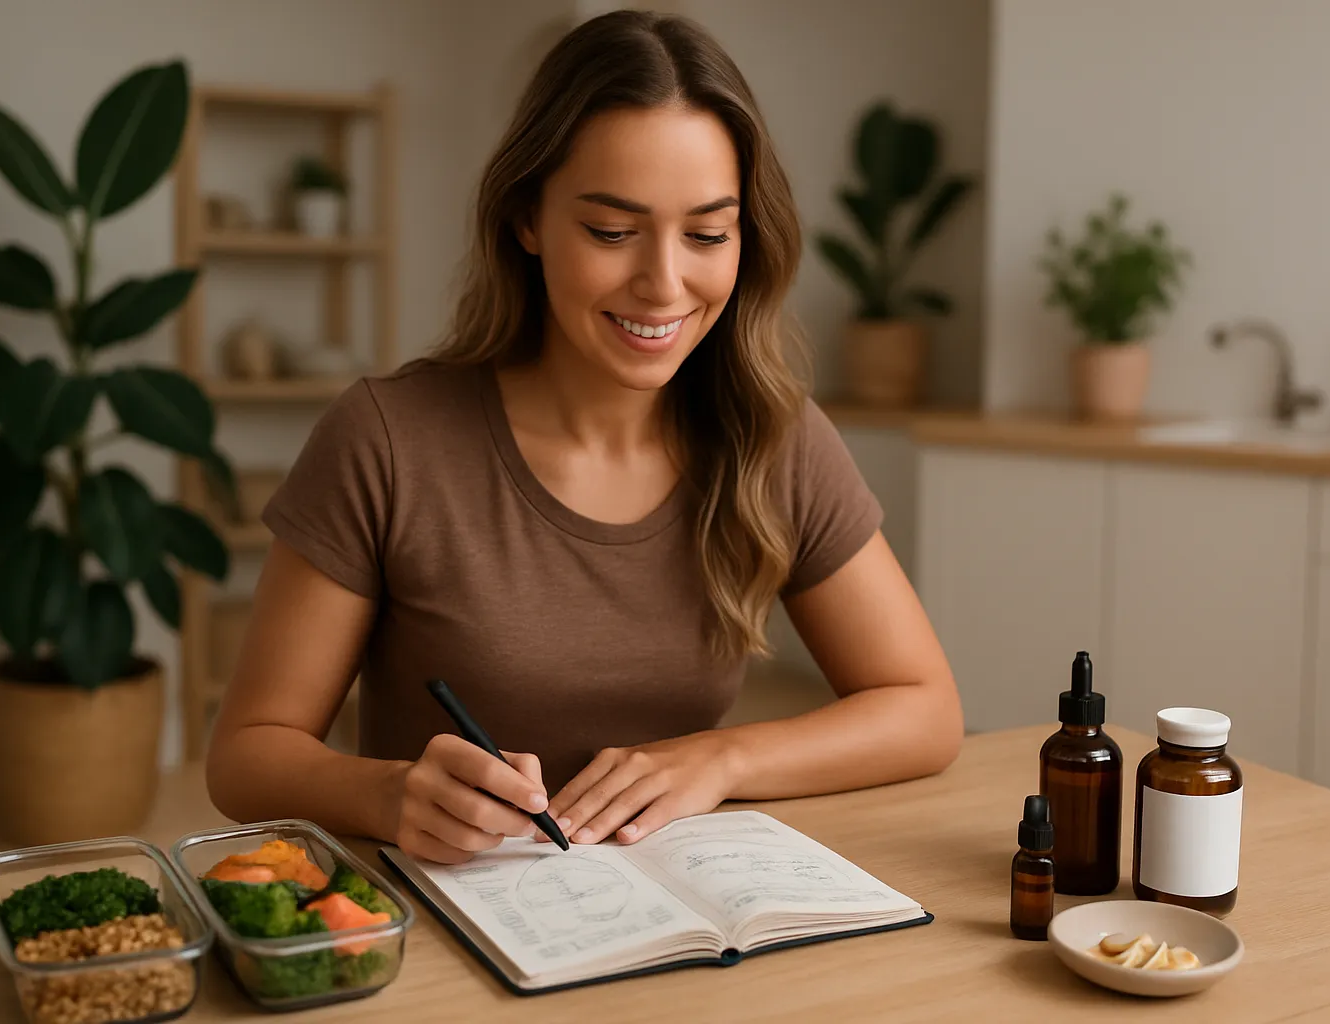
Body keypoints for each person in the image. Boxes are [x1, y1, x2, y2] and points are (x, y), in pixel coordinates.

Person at [205, 9, 963, 866]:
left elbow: (924, 708)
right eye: (611, 231)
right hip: (451, 928)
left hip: (672, 922)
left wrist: (724, 756)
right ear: (527, 219)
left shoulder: (771, 435)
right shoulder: (386, 439)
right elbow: (246, 756)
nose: (664, 284)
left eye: (709, 233)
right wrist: (389, 794)